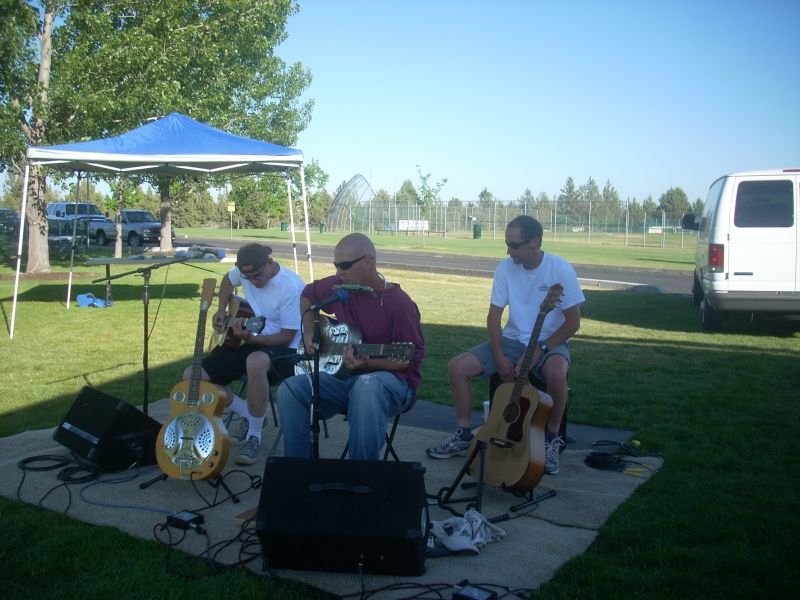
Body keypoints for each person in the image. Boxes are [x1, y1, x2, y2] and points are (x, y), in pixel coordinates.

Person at [426, 215, 584, 475]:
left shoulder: (560, 268)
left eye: (514, 245)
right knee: (457, 367)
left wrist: (541, 350)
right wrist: (499, 356)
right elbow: (494, 316)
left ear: (534, 242)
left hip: (549, 341)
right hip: (512, 340)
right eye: (507, 244)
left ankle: (551, 439)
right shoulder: (505, 268)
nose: (509, 251)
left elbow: (573, 323)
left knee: (557, 373)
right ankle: (463, 433)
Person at [276, 233, 426, 460]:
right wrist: (309, 331)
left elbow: (410, 360)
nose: (338, 272)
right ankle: (298, 469)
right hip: (344, 378)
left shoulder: (399, 303)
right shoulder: (340, 287)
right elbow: (308, 295)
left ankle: (360, 473)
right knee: (290, 388)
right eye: (336, 265)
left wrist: (368, 364)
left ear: (368, 262)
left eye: (344, 265)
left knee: (367, 386)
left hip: (393, 387)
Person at [183, 243, 304, 465]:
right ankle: (250, 416)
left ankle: (254, 436)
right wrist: (221, 310)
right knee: (193, 375)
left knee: (255, 361)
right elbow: (227, 280)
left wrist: (251, 339)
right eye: (247, 277)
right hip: (254, 341)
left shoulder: (290, 286)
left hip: (290, 351)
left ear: (269, 262)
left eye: (257, 275)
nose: (253, 281)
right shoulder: (244, 273)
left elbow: (287, 337)